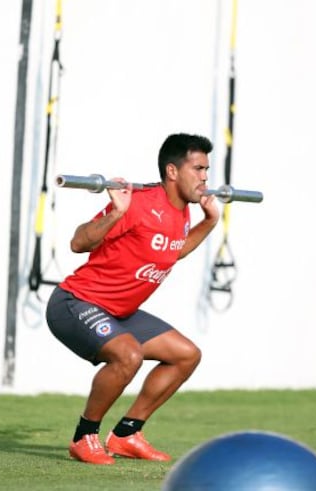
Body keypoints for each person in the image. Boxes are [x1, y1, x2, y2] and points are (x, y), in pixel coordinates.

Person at [46, 133, 219, 465]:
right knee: (129, 355)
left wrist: (209, 222)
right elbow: (78, 243)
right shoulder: (137, 203)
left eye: (206, 170)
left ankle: (126, 434)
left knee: (186, 355)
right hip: (75, 302)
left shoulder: (181, 211)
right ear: (172, 171)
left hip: (119, 313)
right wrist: (116, 212)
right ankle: (84, 437)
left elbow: (173, 251)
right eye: (198, 169)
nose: (205, 178)